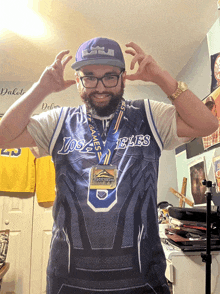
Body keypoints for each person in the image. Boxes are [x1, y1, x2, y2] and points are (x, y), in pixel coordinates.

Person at [0, 37, 218, 294]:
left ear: (123, 78)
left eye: (110, 77)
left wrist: (162, 78)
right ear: (79, 80)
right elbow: (4, 137)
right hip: (68, 281)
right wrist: (41, 88)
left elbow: (208, 125)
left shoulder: (150, 115)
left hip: (143, 280)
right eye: (89, 77)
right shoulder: (58, 122)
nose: (100, 86)